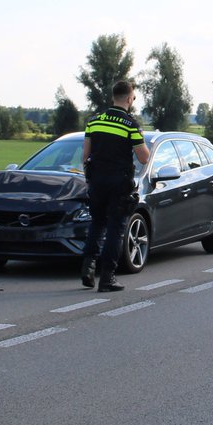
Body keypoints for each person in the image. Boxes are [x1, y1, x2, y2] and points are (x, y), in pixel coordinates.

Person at [80, 80, 150, 292]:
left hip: (97, 181)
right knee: (116, 229)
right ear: (129, 99)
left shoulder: (94, 121)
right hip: (119, 183)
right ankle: (107, 278)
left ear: (113, 97)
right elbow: (144, 157)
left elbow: (85, 155)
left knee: (97, 223)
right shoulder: (130, 124)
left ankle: (88, 268)